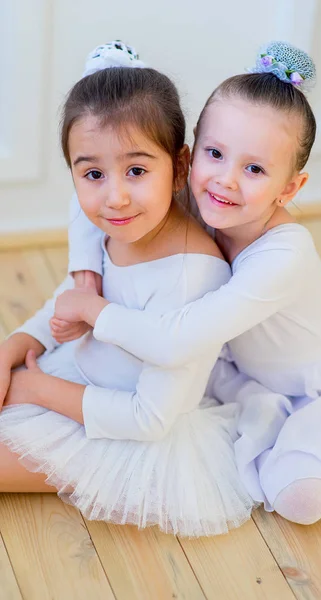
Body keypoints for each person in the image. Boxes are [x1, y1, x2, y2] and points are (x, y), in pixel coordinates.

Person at [53, 40, 321, 526]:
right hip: (232, 364)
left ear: (290, 188)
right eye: (215, 154)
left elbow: (174, 345)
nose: (226, 180)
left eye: (254, 168)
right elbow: (88, 195)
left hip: (312, 387)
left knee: (298, 501)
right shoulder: (203, 194)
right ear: (187, 157)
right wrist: (86, 275)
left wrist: (90, 310)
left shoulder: (284, 254)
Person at [0, 41, 254, 537]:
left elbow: (149, 420)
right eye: (93, 173)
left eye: (136, 170)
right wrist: (17, 345)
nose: (114, 196)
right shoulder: (121, 223)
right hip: (78, 376)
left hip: (122, 432)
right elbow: (70, 300)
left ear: (179, 167)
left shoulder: (192, 278)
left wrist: (34, 388)